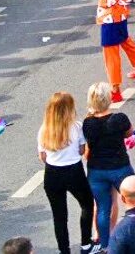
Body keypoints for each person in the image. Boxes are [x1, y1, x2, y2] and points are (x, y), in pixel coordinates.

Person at [37, 92, 94, 254]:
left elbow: (43, 156)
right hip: (74, 171)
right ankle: (85, 243)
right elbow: (82, 150)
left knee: (59, 215)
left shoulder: (44, 129)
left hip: (52, 174)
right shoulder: (76, 126)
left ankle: (64, 250)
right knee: (87, 204)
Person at [82, 83, 135, 251]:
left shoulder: (88, 123)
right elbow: (129, 133)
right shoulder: (119, 119)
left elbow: (86, 148)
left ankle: (105, 246)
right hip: (120, 167)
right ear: (109, 98)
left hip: (97, 171)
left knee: (103, 208)